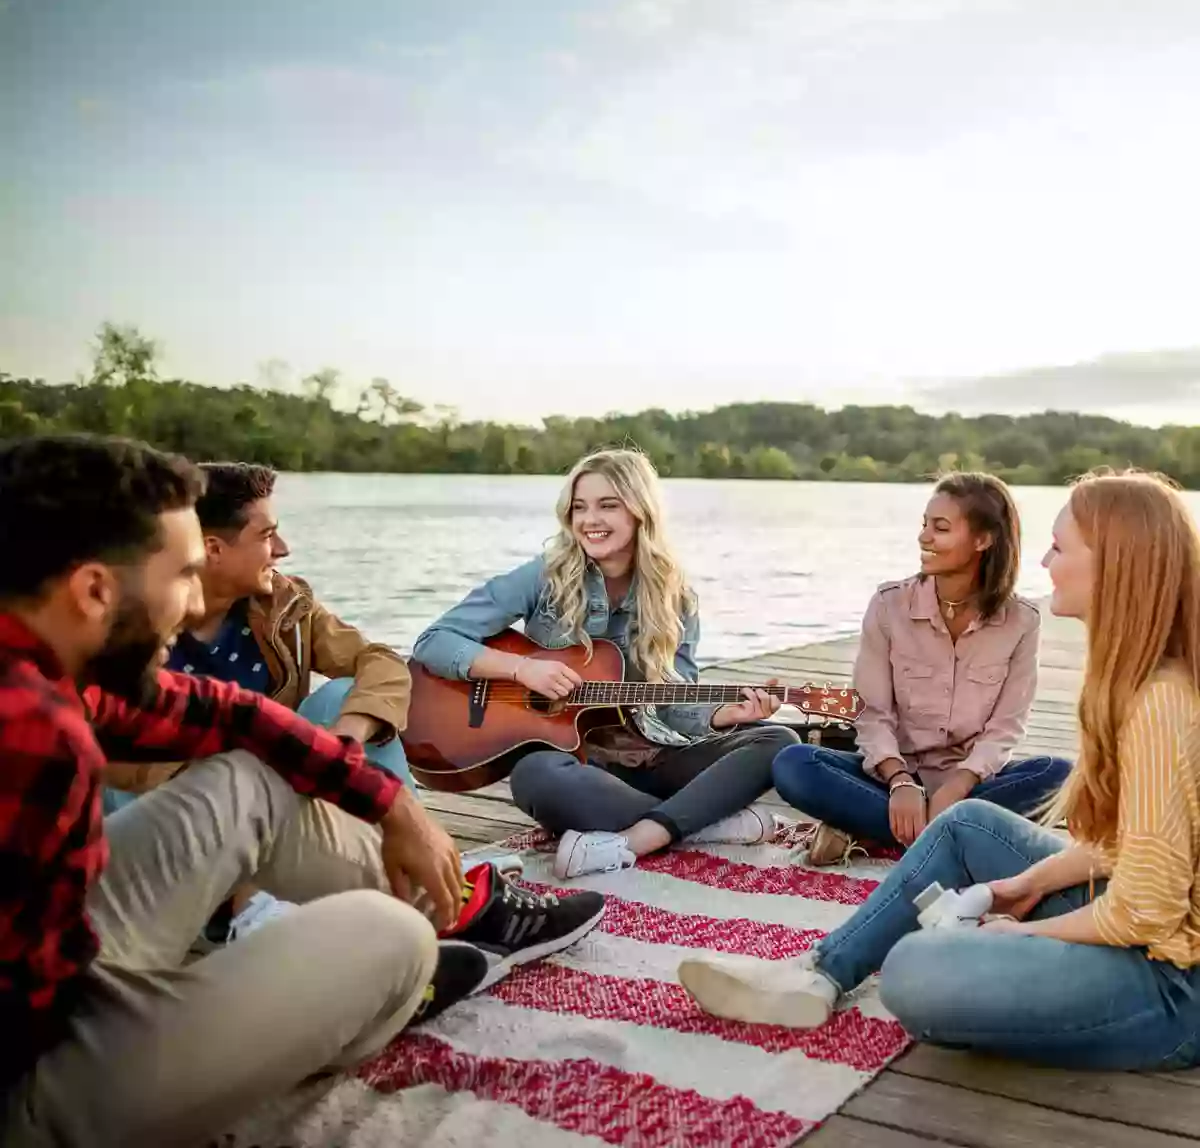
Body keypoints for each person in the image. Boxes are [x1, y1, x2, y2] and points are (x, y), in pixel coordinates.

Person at [0, 434, 604, 1147]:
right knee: (394, 943)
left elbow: (230, 713)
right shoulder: (32, 730)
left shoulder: (54, 672)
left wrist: (392, 802)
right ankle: (376, 967)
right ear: (94, 590)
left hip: (52, 972)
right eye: (182, 575)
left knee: (250, 773)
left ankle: (459, 905)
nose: (191, 598)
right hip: (30, 1072)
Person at [678, 469, 1200, 1073]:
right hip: (911, 788)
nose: (1047, 562)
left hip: (1173, 987)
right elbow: (1128, 845)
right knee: (967, 825)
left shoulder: (1160, 699)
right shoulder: (1135, 682)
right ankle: (818, 977)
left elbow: (1148, 911)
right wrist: (1028, 884)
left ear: (1114, 563)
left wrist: (1023, 935)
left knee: (913, 972)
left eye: (1061, 547)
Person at [411, 447, 799, 881]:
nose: (589, 520)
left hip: (656, 758)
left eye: (607, 505)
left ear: (640, 511)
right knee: (535, 777)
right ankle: (706, 821)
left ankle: (639, 836)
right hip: (581, 768)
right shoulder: (544, 576)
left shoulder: (676, 598)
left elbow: (672, 702)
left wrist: (724, 715)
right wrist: (521, 670)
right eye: (579, 508)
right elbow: (434, 642)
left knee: (777, 739)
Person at [773, 472, 1070, 866]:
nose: (924, 537)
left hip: (969, 783)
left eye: (941, 528)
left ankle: (875, 829)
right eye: (925, 525)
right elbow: (871, 712)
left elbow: (1005, 729)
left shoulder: (1022, 621)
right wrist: (899, 781)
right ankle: (955, 833)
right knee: (794, 765)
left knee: (1061, 775)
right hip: (886, 780)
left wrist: (959, 784)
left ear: (983, 540)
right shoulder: (888, 605)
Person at [102, 460, 415, 814]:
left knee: (341, 695)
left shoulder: (284, 605)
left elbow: (382, 662)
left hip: (279, 784)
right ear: (213, 549)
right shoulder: (132, 619)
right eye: (267, 535)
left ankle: (420, 855)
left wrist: (345, 738)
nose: (283, 548)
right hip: (178, 807)